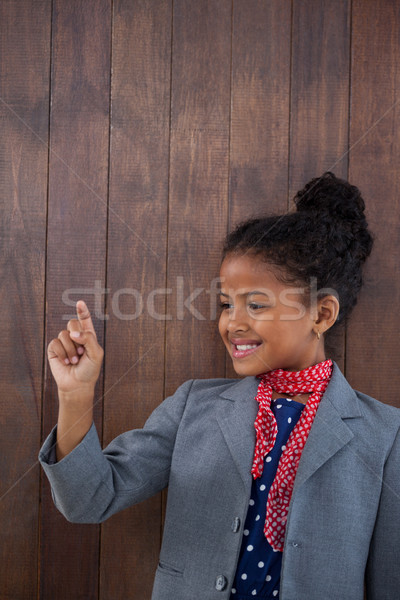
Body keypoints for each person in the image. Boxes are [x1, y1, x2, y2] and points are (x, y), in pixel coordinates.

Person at [39, 172, 400, 600]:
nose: (233, 323)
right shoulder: (193, 406)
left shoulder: (384, 435)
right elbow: (88, 499)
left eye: (257, 304)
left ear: (321, 315)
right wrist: (75, 395)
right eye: (227, 304)